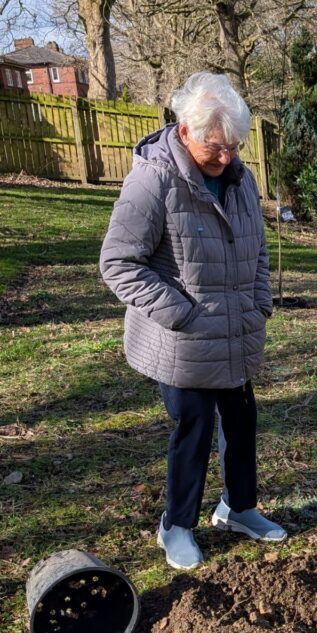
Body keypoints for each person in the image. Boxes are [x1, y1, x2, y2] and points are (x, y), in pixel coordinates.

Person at [99, 72, 286, 571]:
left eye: (234, 146)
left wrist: (259, 301)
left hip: (236, 332)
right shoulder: (153, 179)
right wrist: (180, 314)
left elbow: (259, 248)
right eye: (216, 147)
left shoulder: (239, 178)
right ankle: (176, 525)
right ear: (185, 131)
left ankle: (239, 508)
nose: (226, 158)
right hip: (181, 340)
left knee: (242, 421)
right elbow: (118, 263)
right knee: (194, 427)